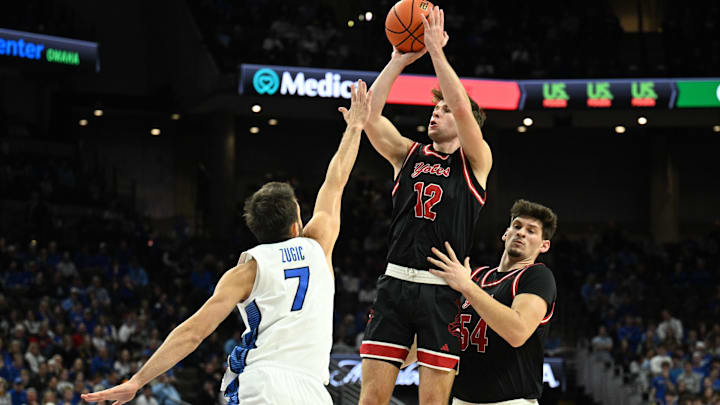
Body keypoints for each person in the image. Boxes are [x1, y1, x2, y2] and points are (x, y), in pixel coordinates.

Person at [80, 80, 373, 405]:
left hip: (262, 386)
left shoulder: (247, 271)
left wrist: (137, 380)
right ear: (297, 223)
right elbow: (337, 179)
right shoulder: (319, 243)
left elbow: (193, 333)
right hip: (313, 393)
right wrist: (356, 126)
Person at [359, 7, 493, 405]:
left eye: (445, 109)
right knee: (371, 399)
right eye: (434, 108)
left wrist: (436, 51)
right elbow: (370, 117)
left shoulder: (476, 162)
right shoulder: (408, 154)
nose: (437, 111)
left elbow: (464, 107)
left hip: (442, 291)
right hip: (396, 283)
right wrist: (398, 59)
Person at [405, 199, 558, 405]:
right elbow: (437, 332)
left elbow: (517, 332)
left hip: (510, 401)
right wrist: (395, 352)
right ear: (506, 234)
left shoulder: (537, 276)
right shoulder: (475, 277)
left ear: (544, 245)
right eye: (517, 226)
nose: (521, 233)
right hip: (462, 400)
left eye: (531, 231)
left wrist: (466, 287)